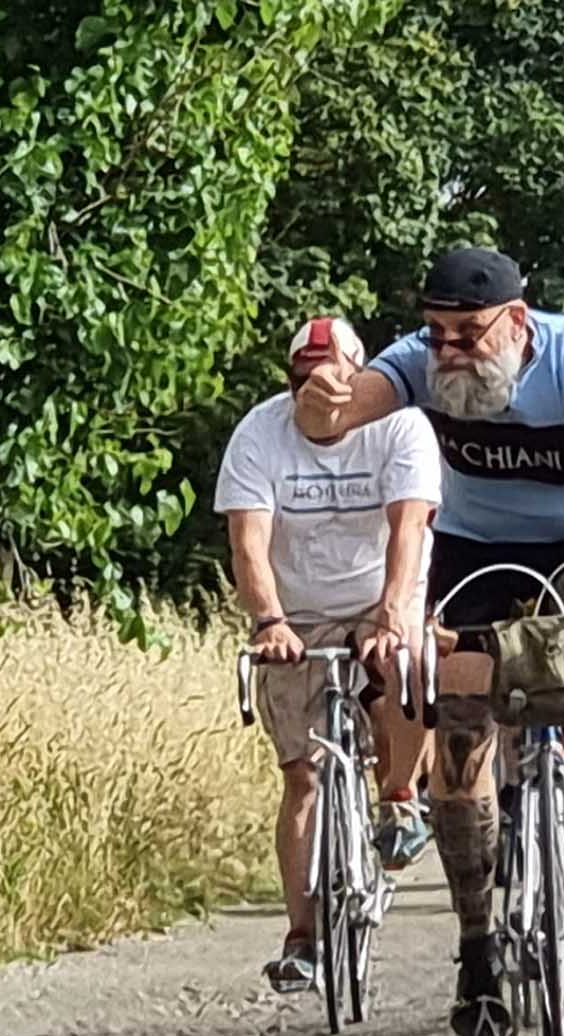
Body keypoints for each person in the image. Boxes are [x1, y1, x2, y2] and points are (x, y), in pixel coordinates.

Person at [294, 246, 564, 1036]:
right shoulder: (415, 362)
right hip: (467, 553)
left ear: (518, 321)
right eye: (437, 335)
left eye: (467, 334)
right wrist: (320, 404)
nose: (448, 351)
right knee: (458, 728)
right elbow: (335, 418)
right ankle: (477, 949)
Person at [215, 317, 443, 994]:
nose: (319, 391)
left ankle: (401, 794)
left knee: (410, 667)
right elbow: (249, 543)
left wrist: (392, 613)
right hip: (300, 617)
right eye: (303, 380)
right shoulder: (260, 433)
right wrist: (270, 621)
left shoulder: (401, 426)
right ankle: (302, 935)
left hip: (379, 599)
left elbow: (409, 527)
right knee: (303, 777)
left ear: (358, 375)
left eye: (335, 376)